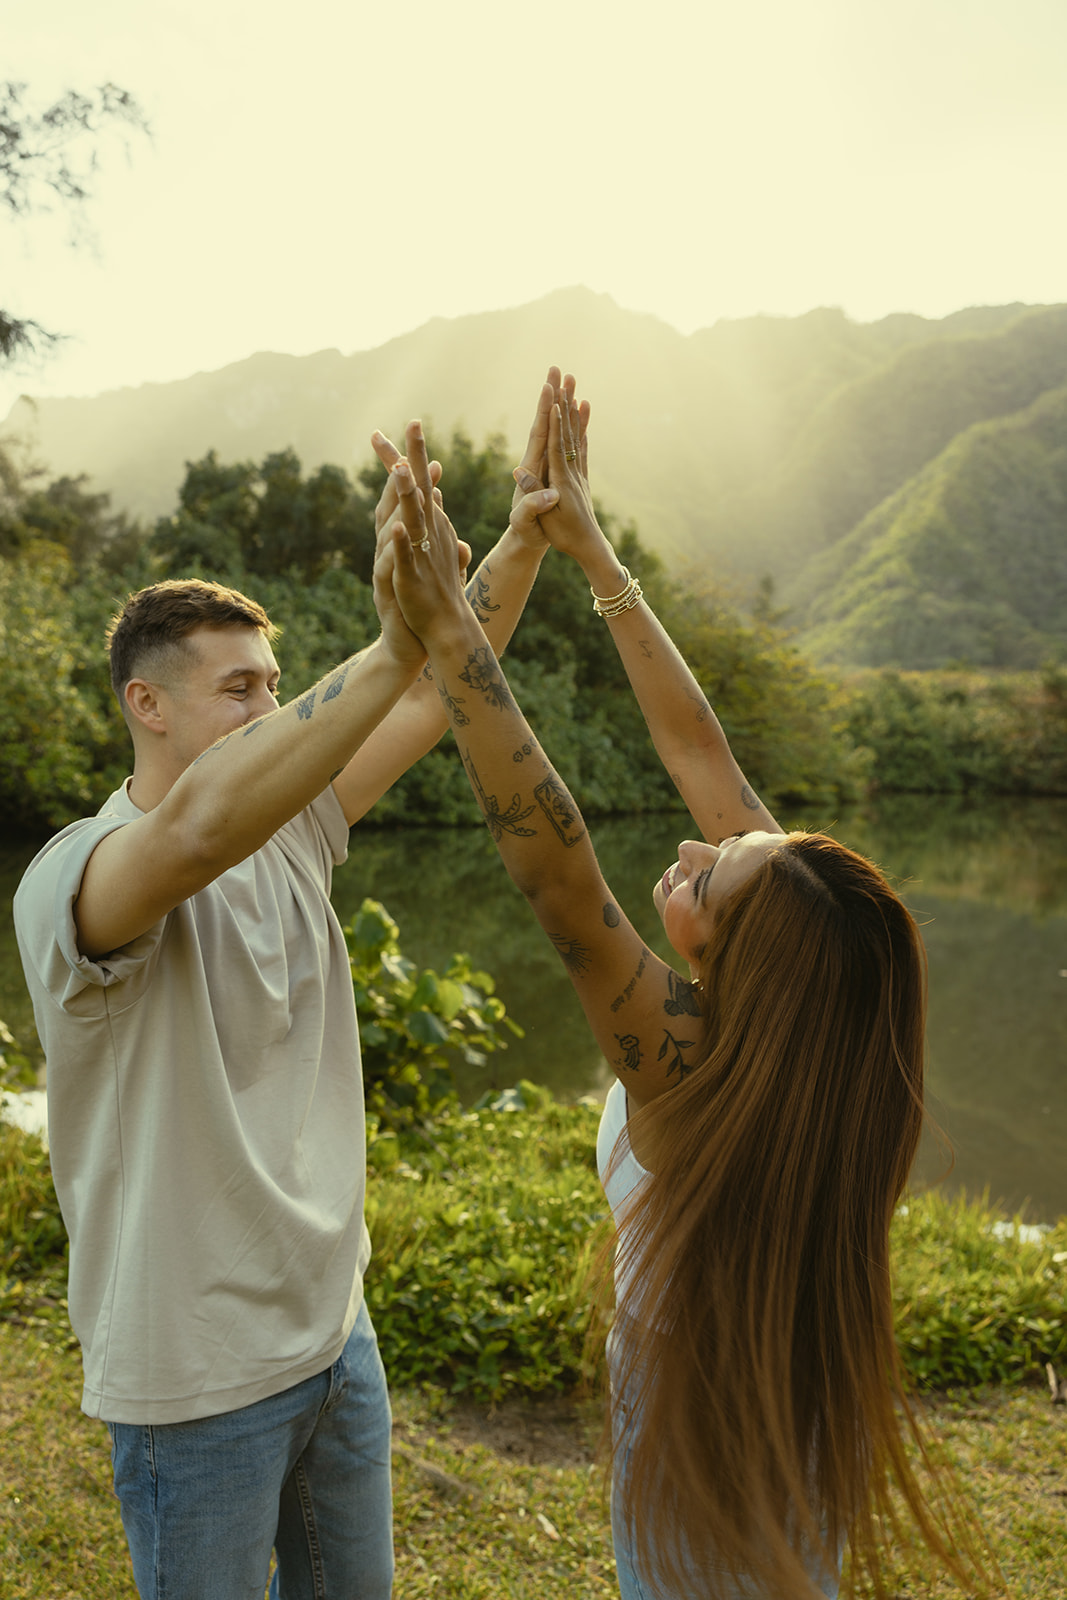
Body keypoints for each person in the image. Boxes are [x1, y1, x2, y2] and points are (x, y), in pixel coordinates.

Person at [376, 375, 994, 1600]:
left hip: (694, 1497)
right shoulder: (822, 1021)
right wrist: (589, 543)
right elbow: (700, 753)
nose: (703, 845)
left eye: (710, 880)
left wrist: (455, 640)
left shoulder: (685, 1071)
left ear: (731, 956)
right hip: (778, 1451)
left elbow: (562, 883)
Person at [11, 399, 563, 1600]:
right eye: (239, 689)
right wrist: (386, 640)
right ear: (145, 705)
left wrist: (523, 540)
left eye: (273, 685)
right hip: (196, 1379)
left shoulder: (297, 825)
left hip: (330, 1334)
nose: (270, 708)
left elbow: (433, 697)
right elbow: (199, 827)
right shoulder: (78, 876)